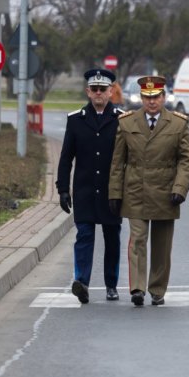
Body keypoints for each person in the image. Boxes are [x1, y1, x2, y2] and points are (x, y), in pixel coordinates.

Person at [108, 75, 189, 307]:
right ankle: (137, 288)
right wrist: (114, 193)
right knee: (137, 239)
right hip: (135, 189)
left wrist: (180, 187)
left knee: (161, 244)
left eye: (156, 97)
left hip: (166, 191)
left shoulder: (178, 123)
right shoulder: (127, 122)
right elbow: (118, 162)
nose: (152, 102)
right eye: (147, 97)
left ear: (164, 97)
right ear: (142, 98)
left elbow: (186, 160)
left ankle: (157, 289)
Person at [56, 68, 124, 303]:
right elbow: (66, 158)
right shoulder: (76, 120)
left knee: (112, 237)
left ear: (110, 92)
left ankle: (111, 284)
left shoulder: (120, 119)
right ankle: (81, 282)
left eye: (102, 89)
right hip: (84, 189)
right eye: (94, 89)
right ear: (87, 91)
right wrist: (63, 189)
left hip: (111, 192)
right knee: (84, 236)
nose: (98, 93)